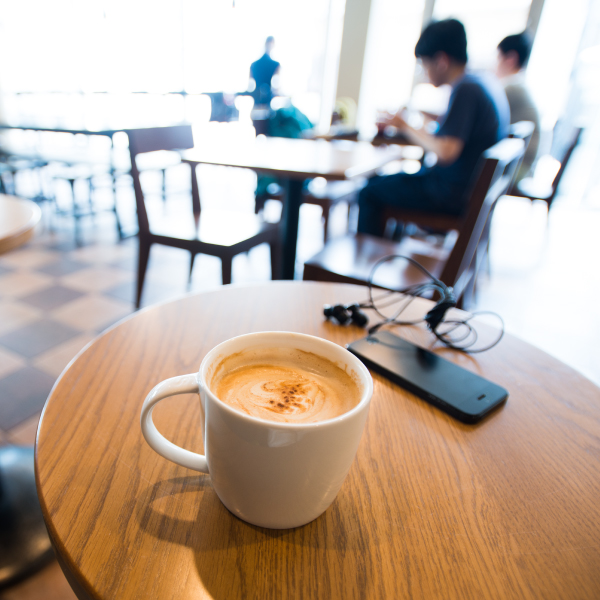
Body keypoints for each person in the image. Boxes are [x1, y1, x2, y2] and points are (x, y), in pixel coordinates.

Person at [357, 19, 510, 238]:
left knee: (369, 192)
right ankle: (388, 251)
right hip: (464, 190)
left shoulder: (466, 90)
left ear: (441, 60)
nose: (424, 72)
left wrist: (403, 125)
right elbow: (457, 128)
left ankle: (368, 261)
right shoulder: (481, 82)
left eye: (424, 64)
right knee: (381, 183)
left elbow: (446, 152)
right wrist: (419, 115)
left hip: (450, 195)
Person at [497, 32, 540, 181]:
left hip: (519, 167)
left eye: (498, 57)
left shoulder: (512, 87)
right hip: (524, 163)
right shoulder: (519, 84)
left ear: (510, 58)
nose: (495, 64)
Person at [249, 36, 280, 107]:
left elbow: (250, 84)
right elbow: (277, 86)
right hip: (265, 103)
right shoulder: (276, 65)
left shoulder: (254, 64)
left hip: (258, 103)